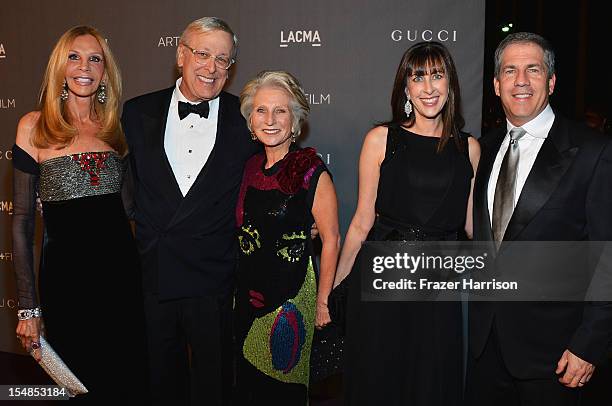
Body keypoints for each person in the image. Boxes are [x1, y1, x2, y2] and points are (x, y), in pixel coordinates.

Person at [466, 32, 612, 405]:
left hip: (558, 355)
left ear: (551, 81)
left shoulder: (593, 152)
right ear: (496, 85)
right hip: (484, 348)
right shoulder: (484, 148)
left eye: (533, 69)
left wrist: (589, 344)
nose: (521, 81)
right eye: (510, 71)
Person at [121, 17, 259, 405]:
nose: (211, 68)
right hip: (154, 274)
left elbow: (276, 174)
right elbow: (116, 181)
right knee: (158, 380)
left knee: (214, 384)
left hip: (213, 275)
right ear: (180, 54)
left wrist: (305, 217)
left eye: (223, 59)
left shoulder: (246, 119)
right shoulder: (136, 113)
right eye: (202, 54)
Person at [334, 41, 480, 405]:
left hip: (440, 286)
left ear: (450, 84)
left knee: (432, 383)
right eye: (418, 78)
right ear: (406, 88)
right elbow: (361, 222)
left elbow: (472, 228)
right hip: (384, 280)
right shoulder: (382, 140)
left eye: (437, 75)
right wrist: (333, 291)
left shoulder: (470, 149)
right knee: (379, 379)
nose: (428, 88)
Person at [12, 25, 147, 403]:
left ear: (105, 72)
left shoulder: (115, 129)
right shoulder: (33, 126)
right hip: (66, 283)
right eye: (74, 56)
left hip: (121, 281)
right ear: (60, 66)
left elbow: (131, 208)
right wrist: (28, 306)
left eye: (94, 58)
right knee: (76, 384)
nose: (83, 66)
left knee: (125, 382)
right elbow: (22, 223)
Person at [233, 70, 340, 405]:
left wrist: (323, 303)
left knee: (283, 389)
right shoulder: (249, 167)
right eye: (261, 110)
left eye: (281, 111)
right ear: (250, 120)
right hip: (246, 298)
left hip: (291, 298)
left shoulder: (310, 170)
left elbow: (332, 238)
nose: (270, 120)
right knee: (248, 388)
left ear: (295, 121)